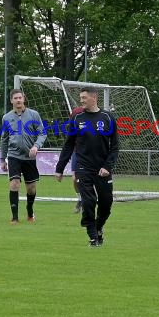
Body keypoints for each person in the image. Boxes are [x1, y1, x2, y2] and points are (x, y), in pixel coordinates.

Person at [55, 86, 119, 247]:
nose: (81, 100)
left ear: (94, 97)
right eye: (81, 97)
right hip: (83, 166)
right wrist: (59, 168)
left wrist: (108, 167)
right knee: (89, 201)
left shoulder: (107, 117)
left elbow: (115, 146)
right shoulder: (77, 118)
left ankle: (98, 227)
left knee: (106, 202)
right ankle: (92, 236)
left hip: (103, 168)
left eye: (84, 97)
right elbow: (69, 144)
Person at [0, 89, 47, 223]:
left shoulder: (34, 115)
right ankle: (14, 217)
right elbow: (4, 139)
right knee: (14, 184)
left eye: (20, 97)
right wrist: (2, 159)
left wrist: (36, 146)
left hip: (29, 158)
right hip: (14, 156)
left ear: (24, 99)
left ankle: (30, 211)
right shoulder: (6, 118)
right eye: (15, 98)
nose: (18, 100)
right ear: (11, 101)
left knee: (31, 189)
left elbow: (42, 133)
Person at [69, 105, 85, 213]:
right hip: (77, 150)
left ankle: (87, 201)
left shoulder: (98, 113)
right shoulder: (76, 112)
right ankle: (80, 199)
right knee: (75, 178)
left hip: (91, 152)